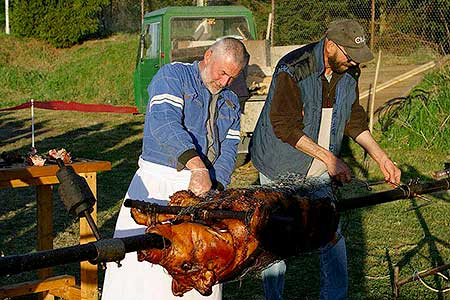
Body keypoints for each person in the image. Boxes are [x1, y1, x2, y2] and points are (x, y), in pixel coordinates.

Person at [249, 19, 401, 300]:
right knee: (277, 237)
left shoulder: (349, 71)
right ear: (330, 45)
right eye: (349, 55)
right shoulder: (293, 69)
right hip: (279, 160)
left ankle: (335, 296)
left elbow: (353, 119)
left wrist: (382, 157)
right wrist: (330, 158)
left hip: (319, 163)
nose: (354, 63)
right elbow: (283, 126)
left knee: (330, 232)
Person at [101, 37, 249, 300]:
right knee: (146, 269)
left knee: (201, 267)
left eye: (232, 77)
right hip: (158, 185)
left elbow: (229, 146)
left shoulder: (231, 100)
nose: (225, 82)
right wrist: (197, 167)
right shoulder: (173, 76)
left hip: (204, 191)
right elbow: (164, 123)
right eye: (222, 73)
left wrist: (216, 186)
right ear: (207, 56)